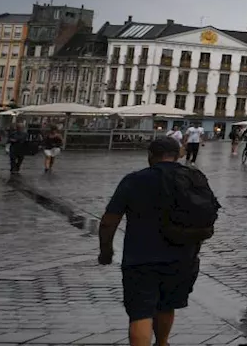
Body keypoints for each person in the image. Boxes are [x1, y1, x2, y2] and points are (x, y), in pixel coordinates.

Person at [97, 138, 203, 346]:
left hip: (140, 256)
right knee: (166, 305)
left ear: (150, 155)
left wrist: (106, 250)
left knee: (140, 312)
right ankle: (162, 343)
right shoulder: (193, 178)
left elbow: (109, 221)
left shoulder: (134, 180)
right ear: (178, 154)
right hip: (182, 255)